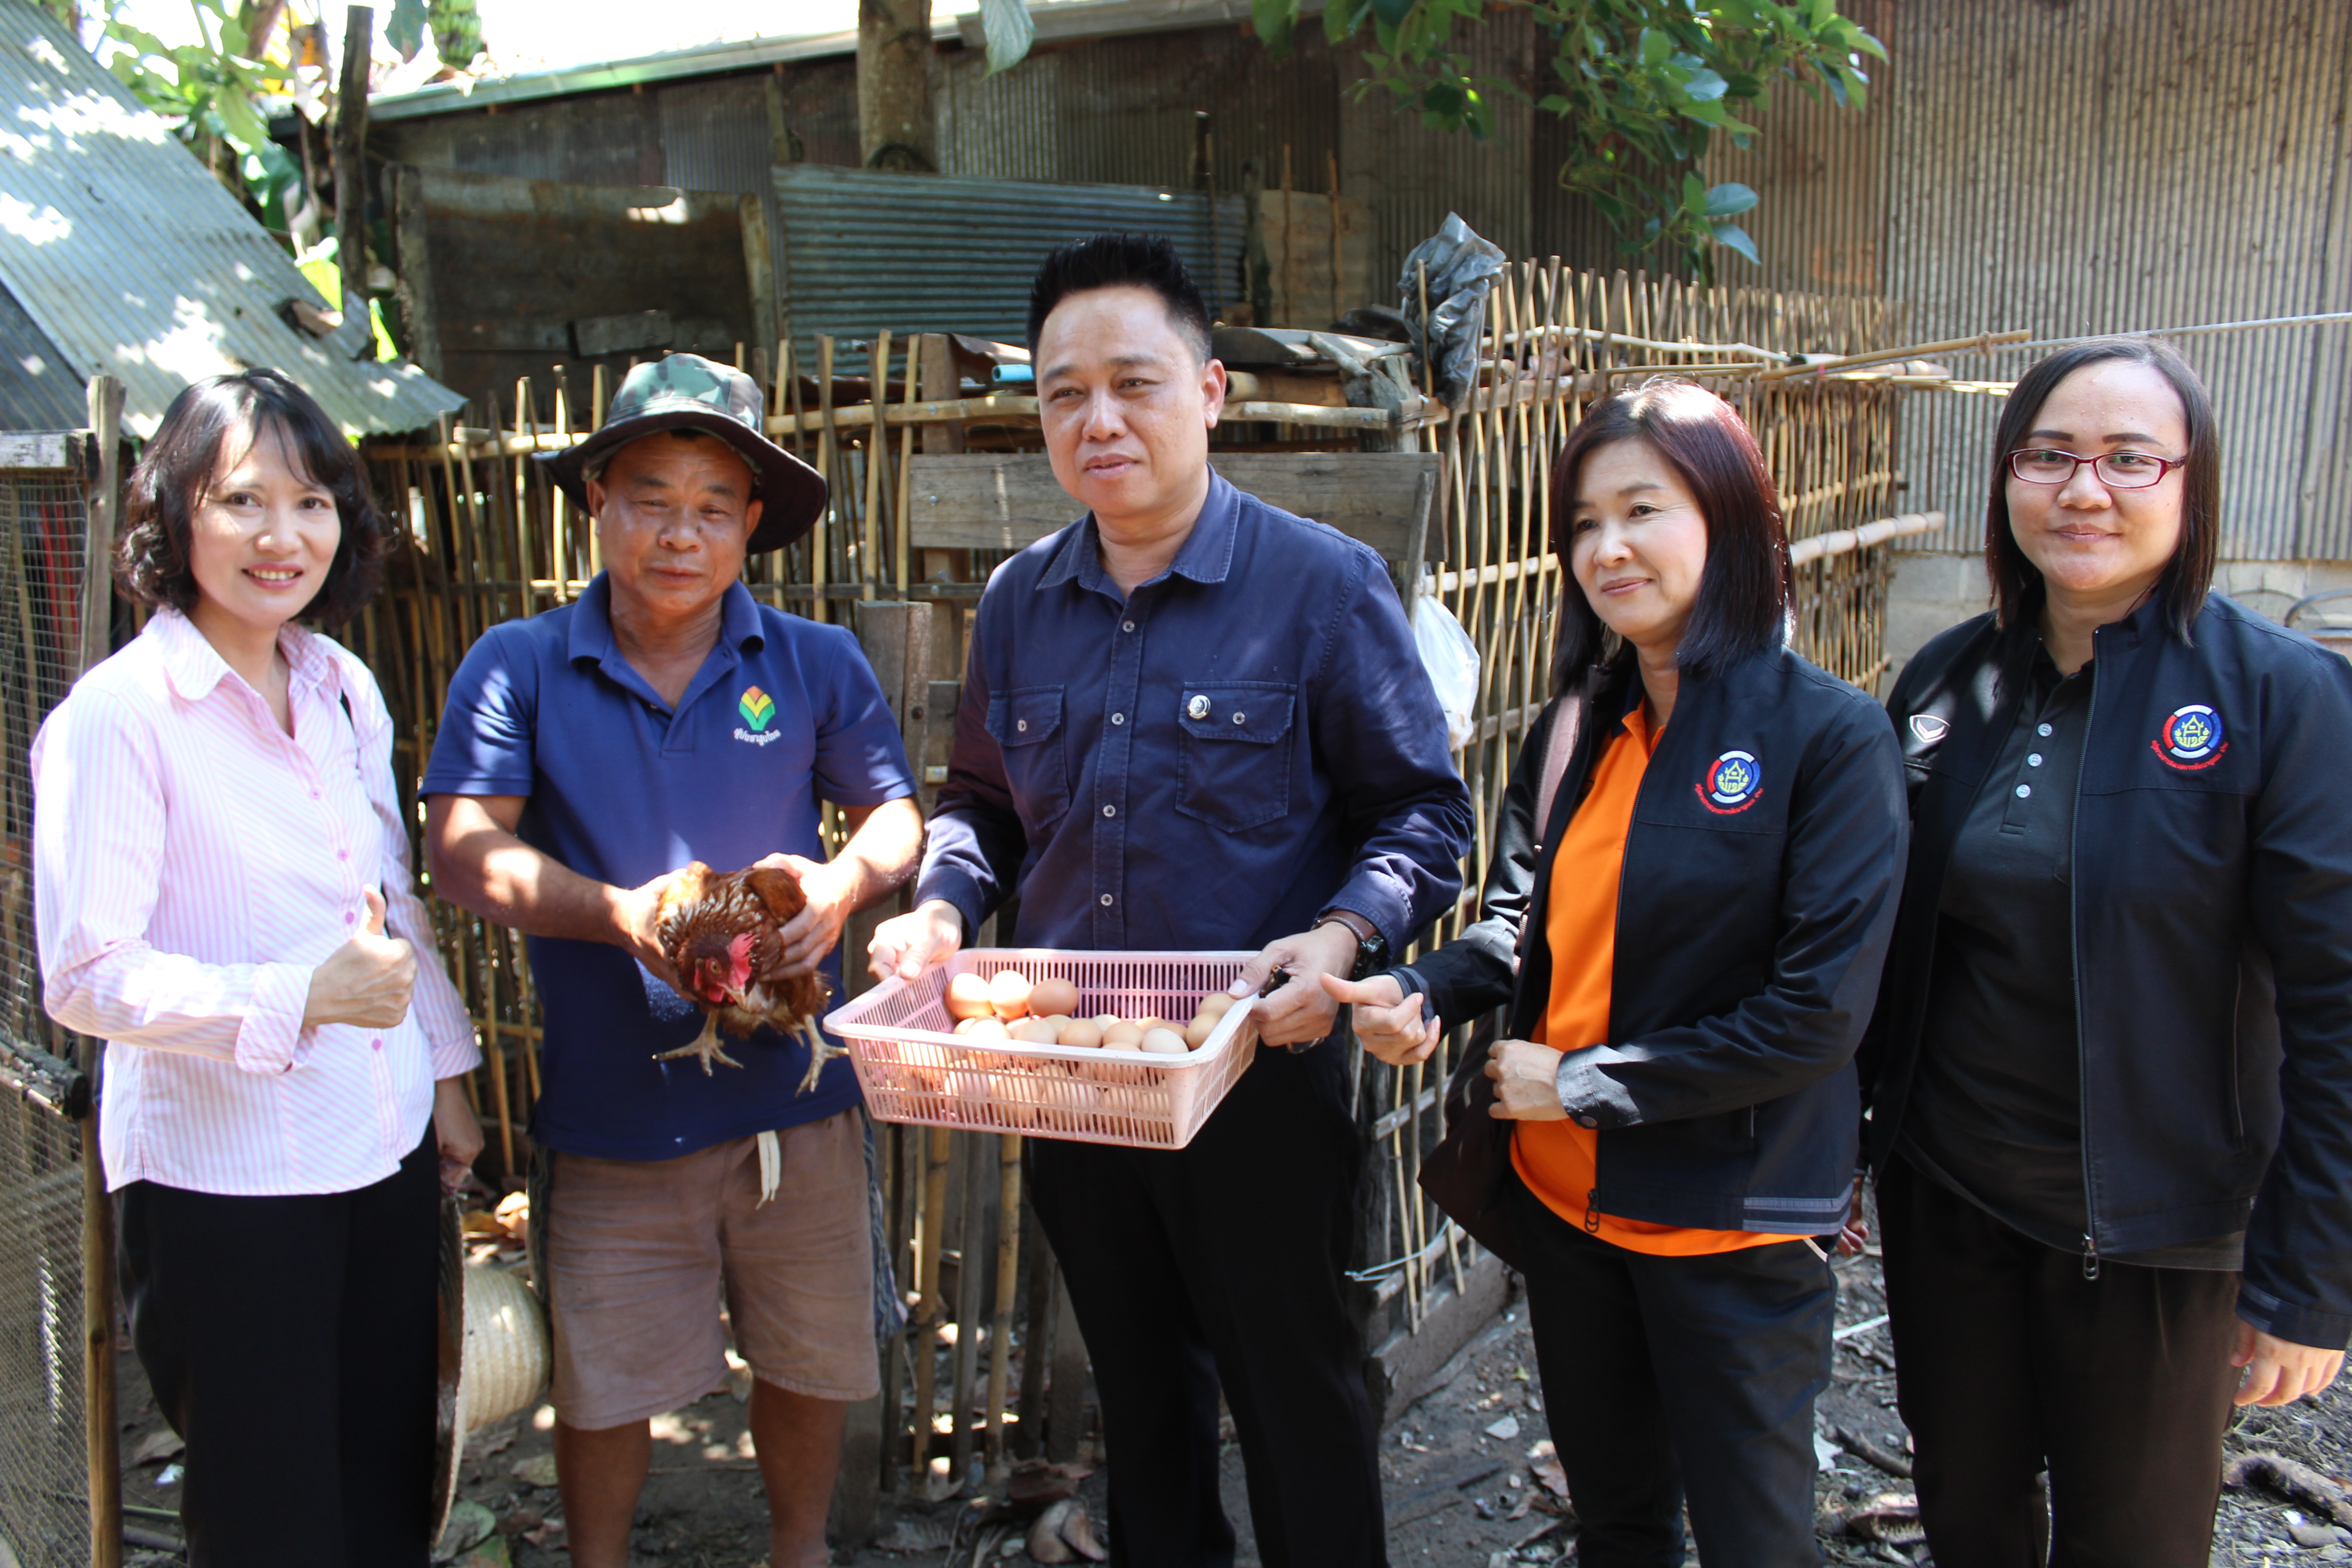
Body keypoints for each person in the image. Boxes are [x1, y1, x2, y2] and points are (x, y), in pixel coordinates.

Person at [869, 233, 1472, 1568]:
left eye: (1132, 383)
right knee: (1140, 1400)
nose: (1099, 420)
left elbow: (1427, 816)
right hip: (1078, 1075)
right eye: (1064, 393)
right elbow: (977, 804)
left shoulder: (1320, 588)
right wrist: (944, 909)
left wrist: (1337, 936)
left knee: (1297, 1396)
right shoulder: (1023, 603)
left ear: (1207, 390)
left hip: (1263, 1071)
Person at [1326, 381, 1907, 1568]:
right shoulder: (1576, 728)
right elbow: (1518, 918)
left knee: (1755, 1541)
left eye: (1644, 509)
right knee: (1619, 1522)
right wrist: (1428, 992)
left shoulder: (1830, 739)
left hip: (1726, 1234)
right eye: (1584, 523)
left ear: (1734, 519)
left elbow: (1817, 1017)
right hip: (1569, 1213)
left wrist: (1585, 1083)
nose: (1608, 547)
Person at [420, 354, 923, 1568]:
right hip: (613, 1112)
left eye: (712, 506)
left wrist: (843, 882)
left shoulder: (814, 663)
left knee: (810, 1359)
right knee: (603, 1383)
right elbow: (460, 848)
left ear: (752, 522)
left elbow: (900, 815)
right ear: (598, 498)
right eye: (652, 497)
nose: (680, 533)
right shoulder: (522, 665)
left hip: (793, 1100)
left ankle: (795, 1553)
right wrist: (619, 914)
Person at [1860, 336, 2352, 1567]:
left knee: (2133, 1543)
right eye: (2053, 456)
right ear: (2008, 477)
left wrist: (2311, 1283)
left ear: (2191, 485)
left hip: (2158, 1229)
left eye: (2132, 459)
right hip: (1951, 1200)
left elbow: (2340, 1006)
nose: (2087, 491)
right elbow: (1880, 945)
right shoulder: (1946, 682)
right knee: (1969, 1519)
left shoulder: (2280, 699)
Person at [33, 369, 483, 1567]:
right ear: (174, 519)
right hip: (222, 1189)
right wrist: (294, 999)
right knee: (269, 1517)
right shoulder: (120, 716)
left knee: (390, 1484)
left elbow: (388, 898)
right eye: (242, 500)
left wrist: (445, 1071)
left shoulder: (344, 686)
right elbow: (84, 977)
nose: (283, 537)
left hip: (375, 1146)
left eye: (314, 502)